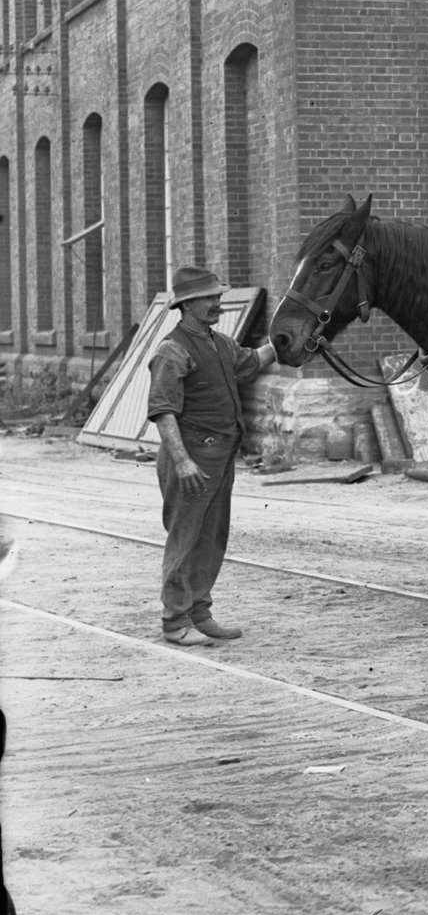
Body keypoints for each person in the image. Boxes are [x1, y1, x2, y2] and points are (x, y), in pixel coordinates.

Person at [147, 265, 277, 645]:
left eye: (218, 297)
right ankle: (175, 621)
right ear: (186, 305)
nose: (217, 303)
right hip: (190, 458)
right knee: (185, 537)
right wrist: (183, 461)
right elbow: (163, 411)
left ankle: (199, 612)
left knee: (211, 538)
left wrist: (288, 343)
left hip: (221, 454)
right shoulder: (172, 350)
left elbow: (252, 362)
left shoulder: (219, 344)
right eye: (209, 298)